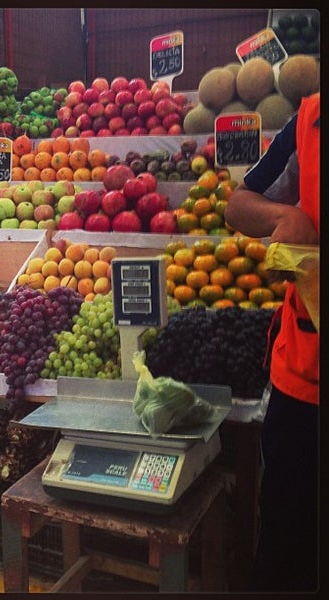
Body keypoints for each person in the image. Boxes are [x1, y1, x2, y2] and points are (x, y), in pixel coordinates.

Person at [224, 92, 319, 592]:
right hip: (302, 382)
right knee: (286, 546)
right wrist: (284, 218)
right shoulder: (309, 120)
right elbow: (238, 203)